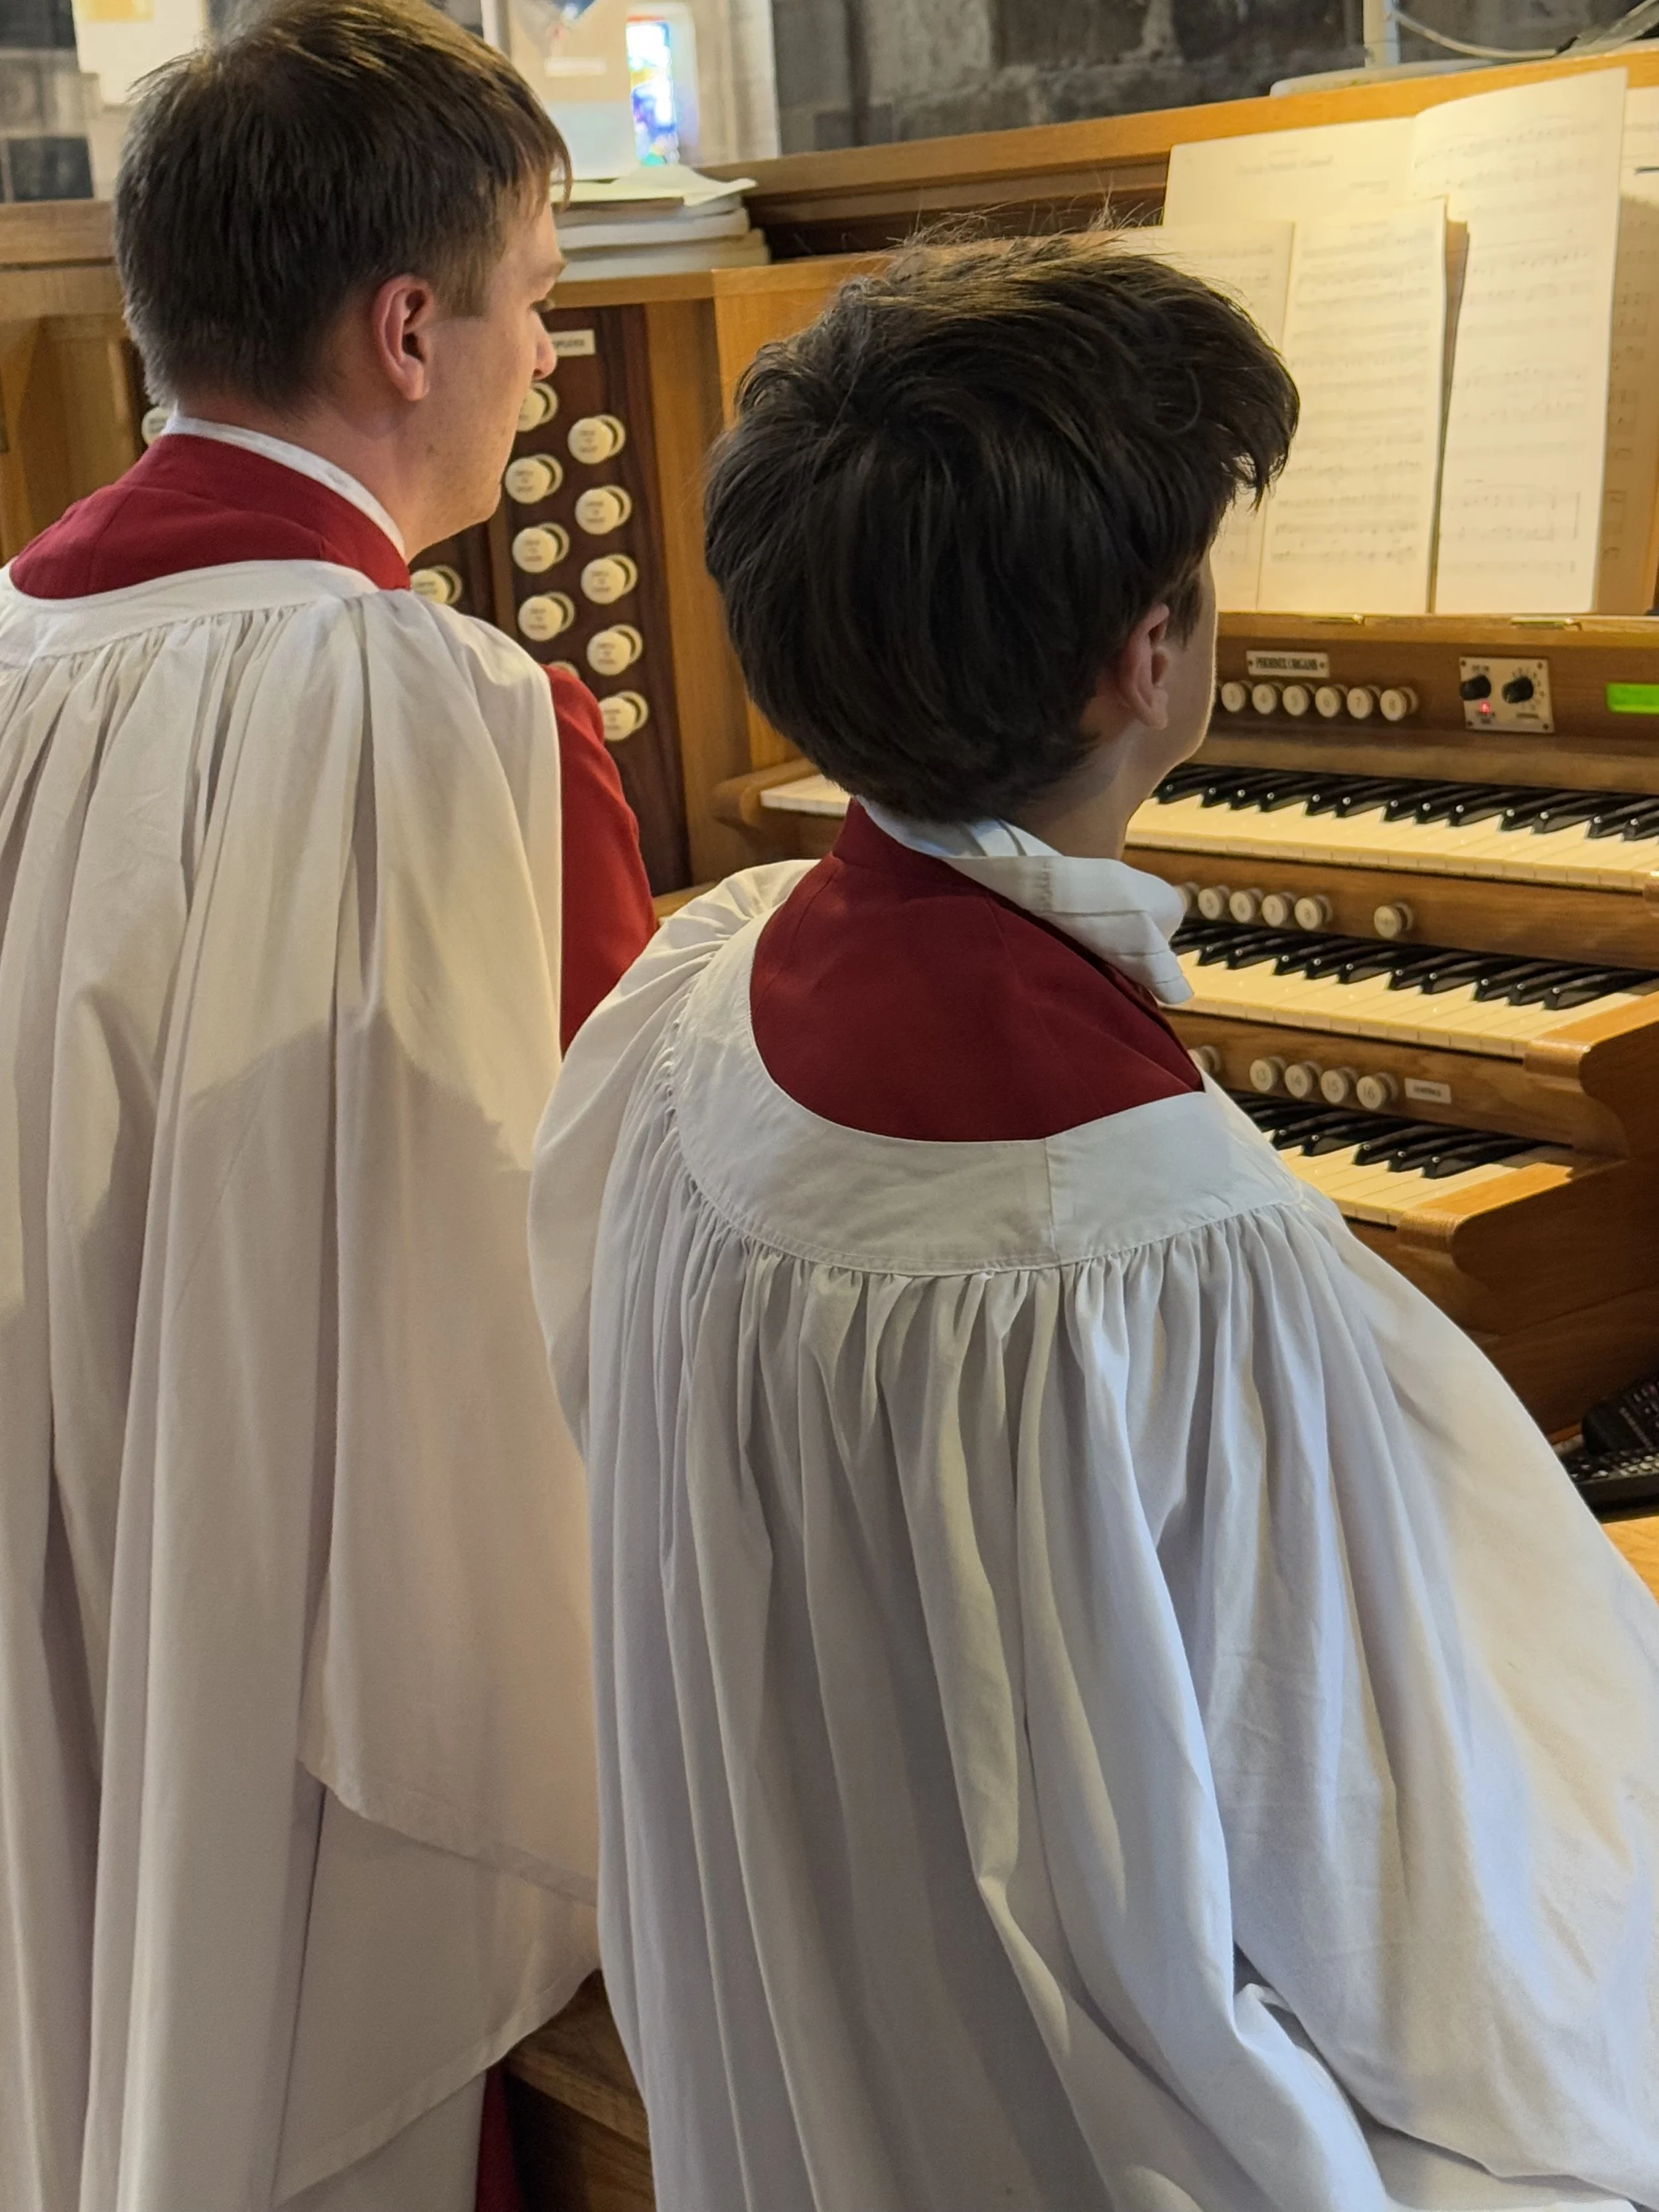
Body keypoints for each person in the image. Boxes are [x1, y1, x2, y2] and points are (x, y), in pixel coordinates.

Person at [529, 235, 1659, 2212]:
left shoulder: (702, 1000)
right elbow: (1382, 1861)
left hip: (830, 1994)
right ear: (1149, 657)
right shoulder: (1143, 1227)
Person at [0, 3, 657, 2207]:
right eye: (544, 302)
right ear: (407, 327)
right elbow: (594, 1254)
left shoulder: (9, 652)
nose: (549, 363)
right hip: (291, 1671)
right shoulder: (448, 716)